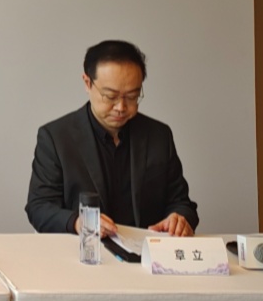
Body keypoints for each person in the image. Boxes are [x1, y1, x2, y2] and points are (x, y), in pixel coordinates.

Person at [25, 39, 199, 237]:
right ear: (87, 83)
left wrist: (179, 218)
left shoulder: (159, 135)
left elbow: (182, 203)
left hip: (145, 251)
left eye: (132, 96)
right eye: (110, 96)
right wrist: (77, 222)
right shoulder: (56, 138)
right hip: (84, 249)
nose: (121, 107)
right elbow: (39, 207)